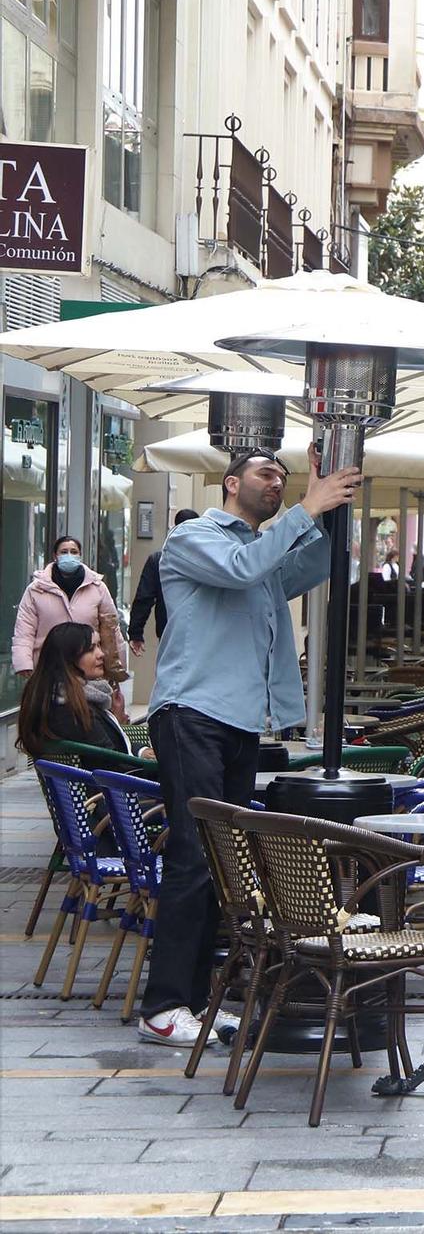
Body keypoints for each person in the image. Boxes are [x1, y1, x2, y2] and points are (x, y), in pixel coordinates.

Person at [139, 447, 362, 1048]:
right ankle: (162, 1007)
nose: (276, 483)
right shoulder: (195, 538)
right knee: (192, 854)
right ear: (231, 483)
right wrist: (305, 505)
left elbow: (315, 566)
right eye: (267, 474)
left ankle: (193, 1003)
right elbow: (240, 569)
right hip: (191, 713)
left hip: (238, 722)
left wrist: (331, 505)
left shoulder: (261, 551)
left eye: (283, 477)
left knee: (221, 863)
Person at [13, 536, 128, 700]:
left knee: (86, 715)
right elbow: (24, 630)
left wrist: (116, 666)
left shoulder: (97, 587)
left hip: (88, 669)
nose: (69, 555)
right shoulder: (36, 590)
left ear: (80, 556)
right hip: (48, 668)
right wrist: (23, 663)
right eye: (64, 552)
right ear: (55, 556)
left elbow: (110, 628)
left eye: (74, 552)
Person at [13, 621, 140, 760]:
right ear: (68, 657)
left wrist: (140, 750)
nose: (101, 654)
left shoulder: (55, 697)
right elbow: (112, 763)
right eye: (91, 649)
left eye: (99, 645)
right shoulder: (73, 709)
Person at [128, 509, 202, 657]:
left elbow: (144, 598)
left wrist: (136, 632)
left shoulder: (158, 560)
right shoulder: (206, 561)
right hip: (200, 634)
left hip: (169, 633)